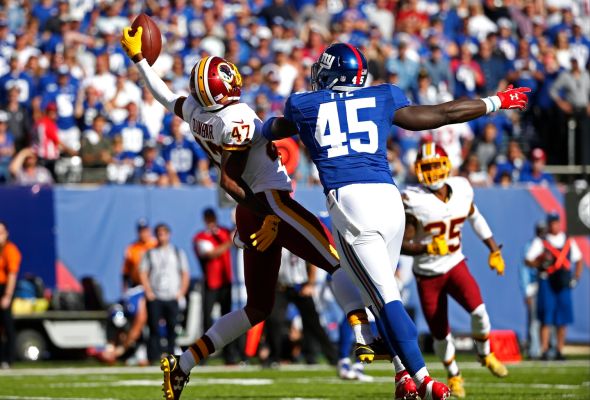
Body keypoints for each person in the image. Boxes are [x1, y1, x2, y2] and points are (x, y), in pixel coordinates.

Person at [263, 43, 530, 400]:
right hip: (390, 201)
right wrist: (496, 101)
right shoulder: (383, 96)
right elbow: (442, 114)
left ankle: (422, 379)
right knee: (371, 287)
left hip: (351, 201)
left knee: (376, 292)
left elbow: (273, 128)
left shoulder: (303, 104)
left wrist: (257, 129)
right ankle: (400, 374)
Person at [121, 28, 376, 400]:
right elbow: (228, 179)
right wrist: (269, 213)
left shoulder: (198, 113)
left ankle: (183, 364)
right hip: (268, 202)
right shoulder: (235, 118)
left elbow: (166, 96)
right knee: (337, 261)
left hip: (251, 211)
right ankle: (364, 335)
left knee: (257, 307)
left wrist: (141, 61)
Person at [401, 143, 509, 398]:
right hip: (428, 275)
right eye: (427, 167)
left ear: (447, 165)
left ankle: (485, 354)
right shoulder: (413, 199)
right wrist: (426, 248)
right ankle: (454, 374)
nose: (433, 172)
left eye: (436, 166)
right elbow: (400, 244)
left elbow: (475, 216)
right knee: (441, 335)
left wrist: (494, 249)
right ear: (418, 170)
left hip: (455, 264)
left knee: (480, 312)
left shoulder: (462, 188)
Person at [525, 212, 584, 361]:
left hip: (563, 282)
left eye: (556, 222)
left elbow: (578, 260)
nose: (554, 226)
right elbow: (528, 260)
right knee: (546, 317)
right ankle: (544, 350)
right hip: (547, 281)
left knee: (562, 319)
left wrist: (575, 278)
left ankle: (559, 349)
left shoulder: (568, 240)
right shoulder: (541, 242)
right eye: (552, 223)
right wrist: (540, 263)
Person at [265, 249, 338, 366]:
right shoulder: (272, 237)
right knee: (274, 319)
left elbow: (312, 260)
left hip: (300, 285)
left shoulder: (298, 237)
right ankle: (274, 357)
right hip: (280, 286)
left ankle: (331, 357)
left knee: (313, 322)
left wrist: (310, 283)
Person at [139, 223, 190, 364]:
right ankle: (153, 357)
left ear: (169, 235)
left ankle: (171, 355)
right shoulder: (150, 253)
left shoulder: (177, 253)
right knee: (154, 328)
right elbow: (143, 272)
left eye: (163, 234)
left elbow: (185, 273)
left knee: (172, 328)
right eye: (159, 234)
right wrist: (148, 291)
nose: (161, 237)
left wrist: (181, 292)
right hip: (156, 295)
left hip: (172, 295)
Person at [193, 208, 238, 365]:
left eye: (213, 218)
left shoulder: (224, 231)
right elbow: (210, 254)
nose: (211, 221)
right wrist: (228, 241)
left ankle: (230, 356)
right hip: (211, 283)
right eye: (208, 219)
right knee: (207, 322)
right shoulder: (201, 237)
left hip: (226, 282)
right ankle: (204, 356)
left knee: (228, 321)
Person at [520, 221, 546, 360]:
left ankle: (545, 349)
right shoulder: (531, 246)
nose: (542, 233)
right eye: (540, 230)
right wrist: (526, 290)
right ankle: (534, 350)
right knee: (534, 321)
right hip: (534, 287)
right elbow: (524, 269)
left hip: (546, 287)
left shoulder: (549, 244)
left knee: (546, 320)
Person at [0, 221, 20, 369]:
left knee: (7, 325)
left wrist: (7, 295)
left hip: (4, 289)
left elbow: (12, 274)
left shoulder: (10, 250)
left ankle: (9, 358)